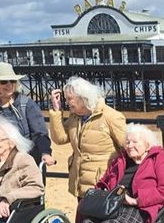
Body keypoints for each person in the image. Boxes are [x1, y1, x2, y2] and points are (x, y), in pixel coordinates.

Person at [48, 77, 126, 206]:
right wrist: (56, 111)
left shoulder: (110, 116)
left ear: (83, 98)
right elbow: (60, 138)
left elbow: (127, 147)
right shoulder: (75, 117)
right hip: (80, 183)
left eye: (69, 98)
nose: (66, 102)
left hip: (102, 184)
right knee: (82, 215)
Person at [0, 62, 55, 166]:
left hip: (27, 163)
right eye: (4, 81)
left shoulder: (26, 104)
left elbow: (40, 134)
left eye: (13, 80)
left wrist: (45, 153)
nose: (9, 85)